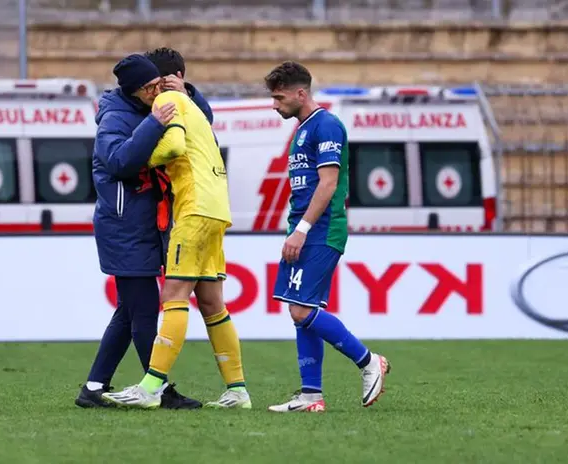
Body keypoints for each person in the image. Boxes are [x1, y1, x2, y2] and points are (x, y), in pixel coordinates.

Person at [103, 55, 251, 410]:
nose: (154, 90)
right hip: (218, 207)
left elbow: (172, 147)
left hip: (194, 206)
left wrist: (144, 161)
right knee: (213, 303)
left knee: (174, 294)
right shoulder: (194, 106)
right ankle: (238, 390)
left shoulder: (167, 102)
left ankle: (151, 386)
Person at [76, 50, 214, 409]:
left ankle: (92, 388)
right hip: (123, 228)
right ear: (135, 89)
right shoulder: (115, 118)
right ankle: (159, 389)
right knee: (144, 310)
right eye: (151, 86)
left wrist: (188, 94)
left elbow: (203, 124)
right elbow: (120, 161)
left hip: (143, 226)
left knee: (127, 312)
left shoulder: (143, 106)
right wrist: (153, 123)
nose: (157, 91)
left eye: (159, 84)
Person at [263, 61, 390, 413]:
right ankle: (310, 396)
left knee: (302, 310)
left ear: (300, 93)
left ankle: (368, 362)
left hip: (321, 229)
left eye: (279, 97)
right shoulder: (303, 129)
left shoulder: (327, 125)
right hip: (304, 228)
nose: (274, 104)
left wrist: (302, 230)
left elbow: (329, 183)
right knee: (300, 310)